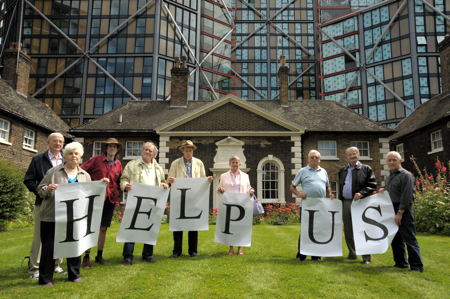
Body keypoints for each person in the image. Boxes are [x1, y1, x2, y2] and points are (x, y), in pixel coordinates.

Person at [37, 142, 101, 286]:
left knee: (74, 246)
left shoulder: (85, 175)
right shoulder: (53, 172)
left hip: (76, 218)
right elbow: (40, 190)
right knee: (49, 248)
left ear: (81, 157)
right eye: (70, 153)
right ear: (65, 156)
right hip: (52, 217)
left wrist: (100, 186)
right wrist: (48, 189)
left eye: (76, 154)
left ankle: (74, 275)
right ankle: (46, 279)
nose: (73, 156)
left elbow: (90, 195)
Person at [23, 132, 65, 279]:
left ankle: (56, 265)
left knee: (59, 236)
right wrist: (41, 192)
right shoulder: (38, 160)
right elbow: (28, 180)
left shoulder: (67, 160)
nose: (58, 144)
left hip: (63, 205)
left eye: (60, 141)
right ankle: (35, 268)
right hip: (44, 204)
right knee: (40, 237)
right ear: (48, 142)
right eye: (55, 141)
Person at [120, 142, 168, 265]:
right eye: (145, 149)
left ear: (154, 154)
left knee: (150, 228)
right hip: (136, 201)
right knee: (132, 227)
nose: (147, 152)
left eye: (150, 151)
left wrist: (164, 184)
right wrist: (126, 186)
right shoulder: (132, 165)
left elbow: (162, 181)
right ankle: (128, 256)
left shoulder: (158, 168)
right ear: (142, 151)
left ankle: (147, 255)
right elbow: (124, 178)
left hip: (152, 202)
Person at [80, 138, 123, 267]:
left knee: (103, 228)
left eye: (114, 147)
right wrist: (92, 185)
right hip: (95, 198)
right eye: (109, 146)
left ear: (117, 149)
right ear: (106, 148)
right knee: (90, 228)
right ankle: (86, 257)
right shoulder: (96, 160)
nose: (112, 148)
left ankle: (99, 255)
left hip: (110, 200)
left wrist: (120, 192)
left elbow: (119, 180)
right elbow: (81, 171)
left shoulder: (118, 164)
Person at [168, 140, 213, 258]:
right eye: (187, 150)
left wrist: (207, 180)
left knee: (193, 223)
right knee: (178, 224)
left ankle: (193, 250)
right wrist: (171, 181)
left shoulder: (199, 163)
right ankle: (177, 251)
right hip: (179, 197)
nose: (189, 152)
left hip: (194, 197)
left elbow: (202, 179)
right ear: (182, 151)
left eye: (191, 150)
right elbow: (169, 180)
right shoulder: (175, 163)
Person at [380, 151, 424, 272]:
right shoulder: (389, 176)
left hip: (403, 209)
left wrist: (400, 212)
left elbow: (407, 195)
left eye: (394, 160)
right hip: (391, 208)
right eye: (389, 160)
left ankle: (416, 266)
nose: (391, 162)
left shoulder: (406, 175)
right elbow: (391, 190)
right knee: (396, 238)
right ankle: (400, 263)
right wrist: (382, 190)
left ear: (400, 161)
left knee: (409, 238)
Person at [290, 149, 334, 261]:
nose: (314, 159)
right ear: (308, 159)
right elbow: (292, 186)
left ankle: (316, 255)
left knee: (318, 230)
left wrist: (330, 194)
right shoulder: (303, 171)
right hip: (307, 205)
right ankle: (301, 254)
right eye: (312, 157)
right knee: (306, 229)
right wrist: (298, 194)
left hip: (321, 205)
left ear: (320, 160)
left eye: (317, 157)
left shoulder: (323, 171)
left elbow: (328, 185)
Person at [338, 147, 377, 264]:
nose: (352, 156)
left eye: (354, 154)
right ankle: (352, 253)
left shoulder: (366, 169)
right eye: (349, 154)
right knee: (348, 230)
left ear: (358, 155)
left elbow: (372, 185)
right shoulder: (343, 170)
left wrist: (362, 193)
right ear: (346, 157)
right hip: (346, 202)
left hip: (361, 203)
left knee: (362, 229)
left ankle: (366, 257)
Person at [217, 155, 255, 256]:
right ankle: (231, 248)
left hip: (242, 204)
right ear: (230, 164)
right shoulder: (223, 176)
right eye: (233, 162)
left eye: (237, 162)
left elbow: (249, 187)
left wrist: (251, 190)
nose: (235, 164)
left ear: (240, 164)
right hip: (229, 204)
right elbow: (219, 188)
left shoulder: (245, 176)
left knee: (240, 226)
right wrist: (220, 189)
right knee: (230, 226)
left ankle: (240, 248)